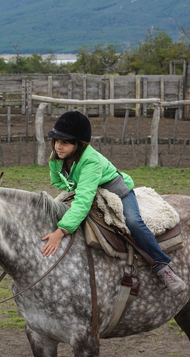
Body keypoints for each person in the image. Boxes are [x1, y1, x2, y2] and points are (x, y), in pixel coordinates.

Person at [41, 110, 186, 296]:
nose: (58, 146)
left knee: (133, 222)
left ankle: (162, 267)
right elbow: (59, 183)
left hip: (116, 189)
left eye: (65, 142)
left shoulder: (91, 161)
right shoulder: (57, 156)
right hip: (89, 187)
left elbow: (83, 203)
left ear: (79, 144)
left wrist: (61, 231)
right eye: (56, 140)